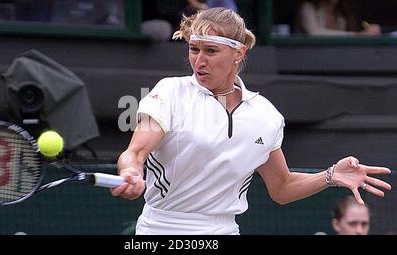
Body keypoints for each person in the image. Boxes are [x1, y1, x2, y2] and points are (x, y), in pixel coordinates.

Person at [110, 7, 392, 235]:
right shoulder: (168, 92)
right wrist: (130, 172)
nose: (199, 61)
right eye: (194, 49)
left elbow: (282, 187)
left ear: (239, 53)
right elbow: (135, 152)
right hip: (161, 230)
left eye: (210, 51)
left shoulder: (265, 115)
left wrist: (330, 176)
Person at [294, 0, 381, 36]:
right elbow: (314, 33)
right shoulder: (308, 7)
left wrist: (369, 32)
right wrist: (356, 35)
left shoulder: (342, 14)